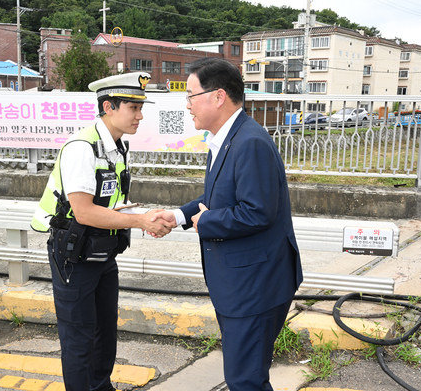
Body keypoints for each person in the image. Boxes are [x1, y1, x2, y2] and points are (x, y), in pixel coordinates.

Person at [153, 58, 303, 391]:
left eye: (191, 95)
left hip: (255, 287)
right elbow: (217, 199)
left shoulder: (249, 143)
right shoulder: (226, 138)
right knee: (246, 377)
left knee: (245, 380)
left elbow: (257, 212)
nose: (187, 104)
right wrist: (178, 215)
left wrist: (205, 222)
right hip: (241, 283)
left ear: (218, 96)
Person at [30, 72, 173, 391]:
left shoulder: (116, 145)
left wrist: (144, 215)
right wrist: (141, 222)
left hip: (102, 252)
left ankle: (101, 387)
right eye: (133, 108)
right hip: (75, 257)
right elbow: (84, 210)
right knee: (79, 339)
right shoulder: (83, 147)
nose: (140, 115)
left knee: (104, 334)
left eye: (141, 108)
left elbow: (111, 203)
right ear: (108, 106)